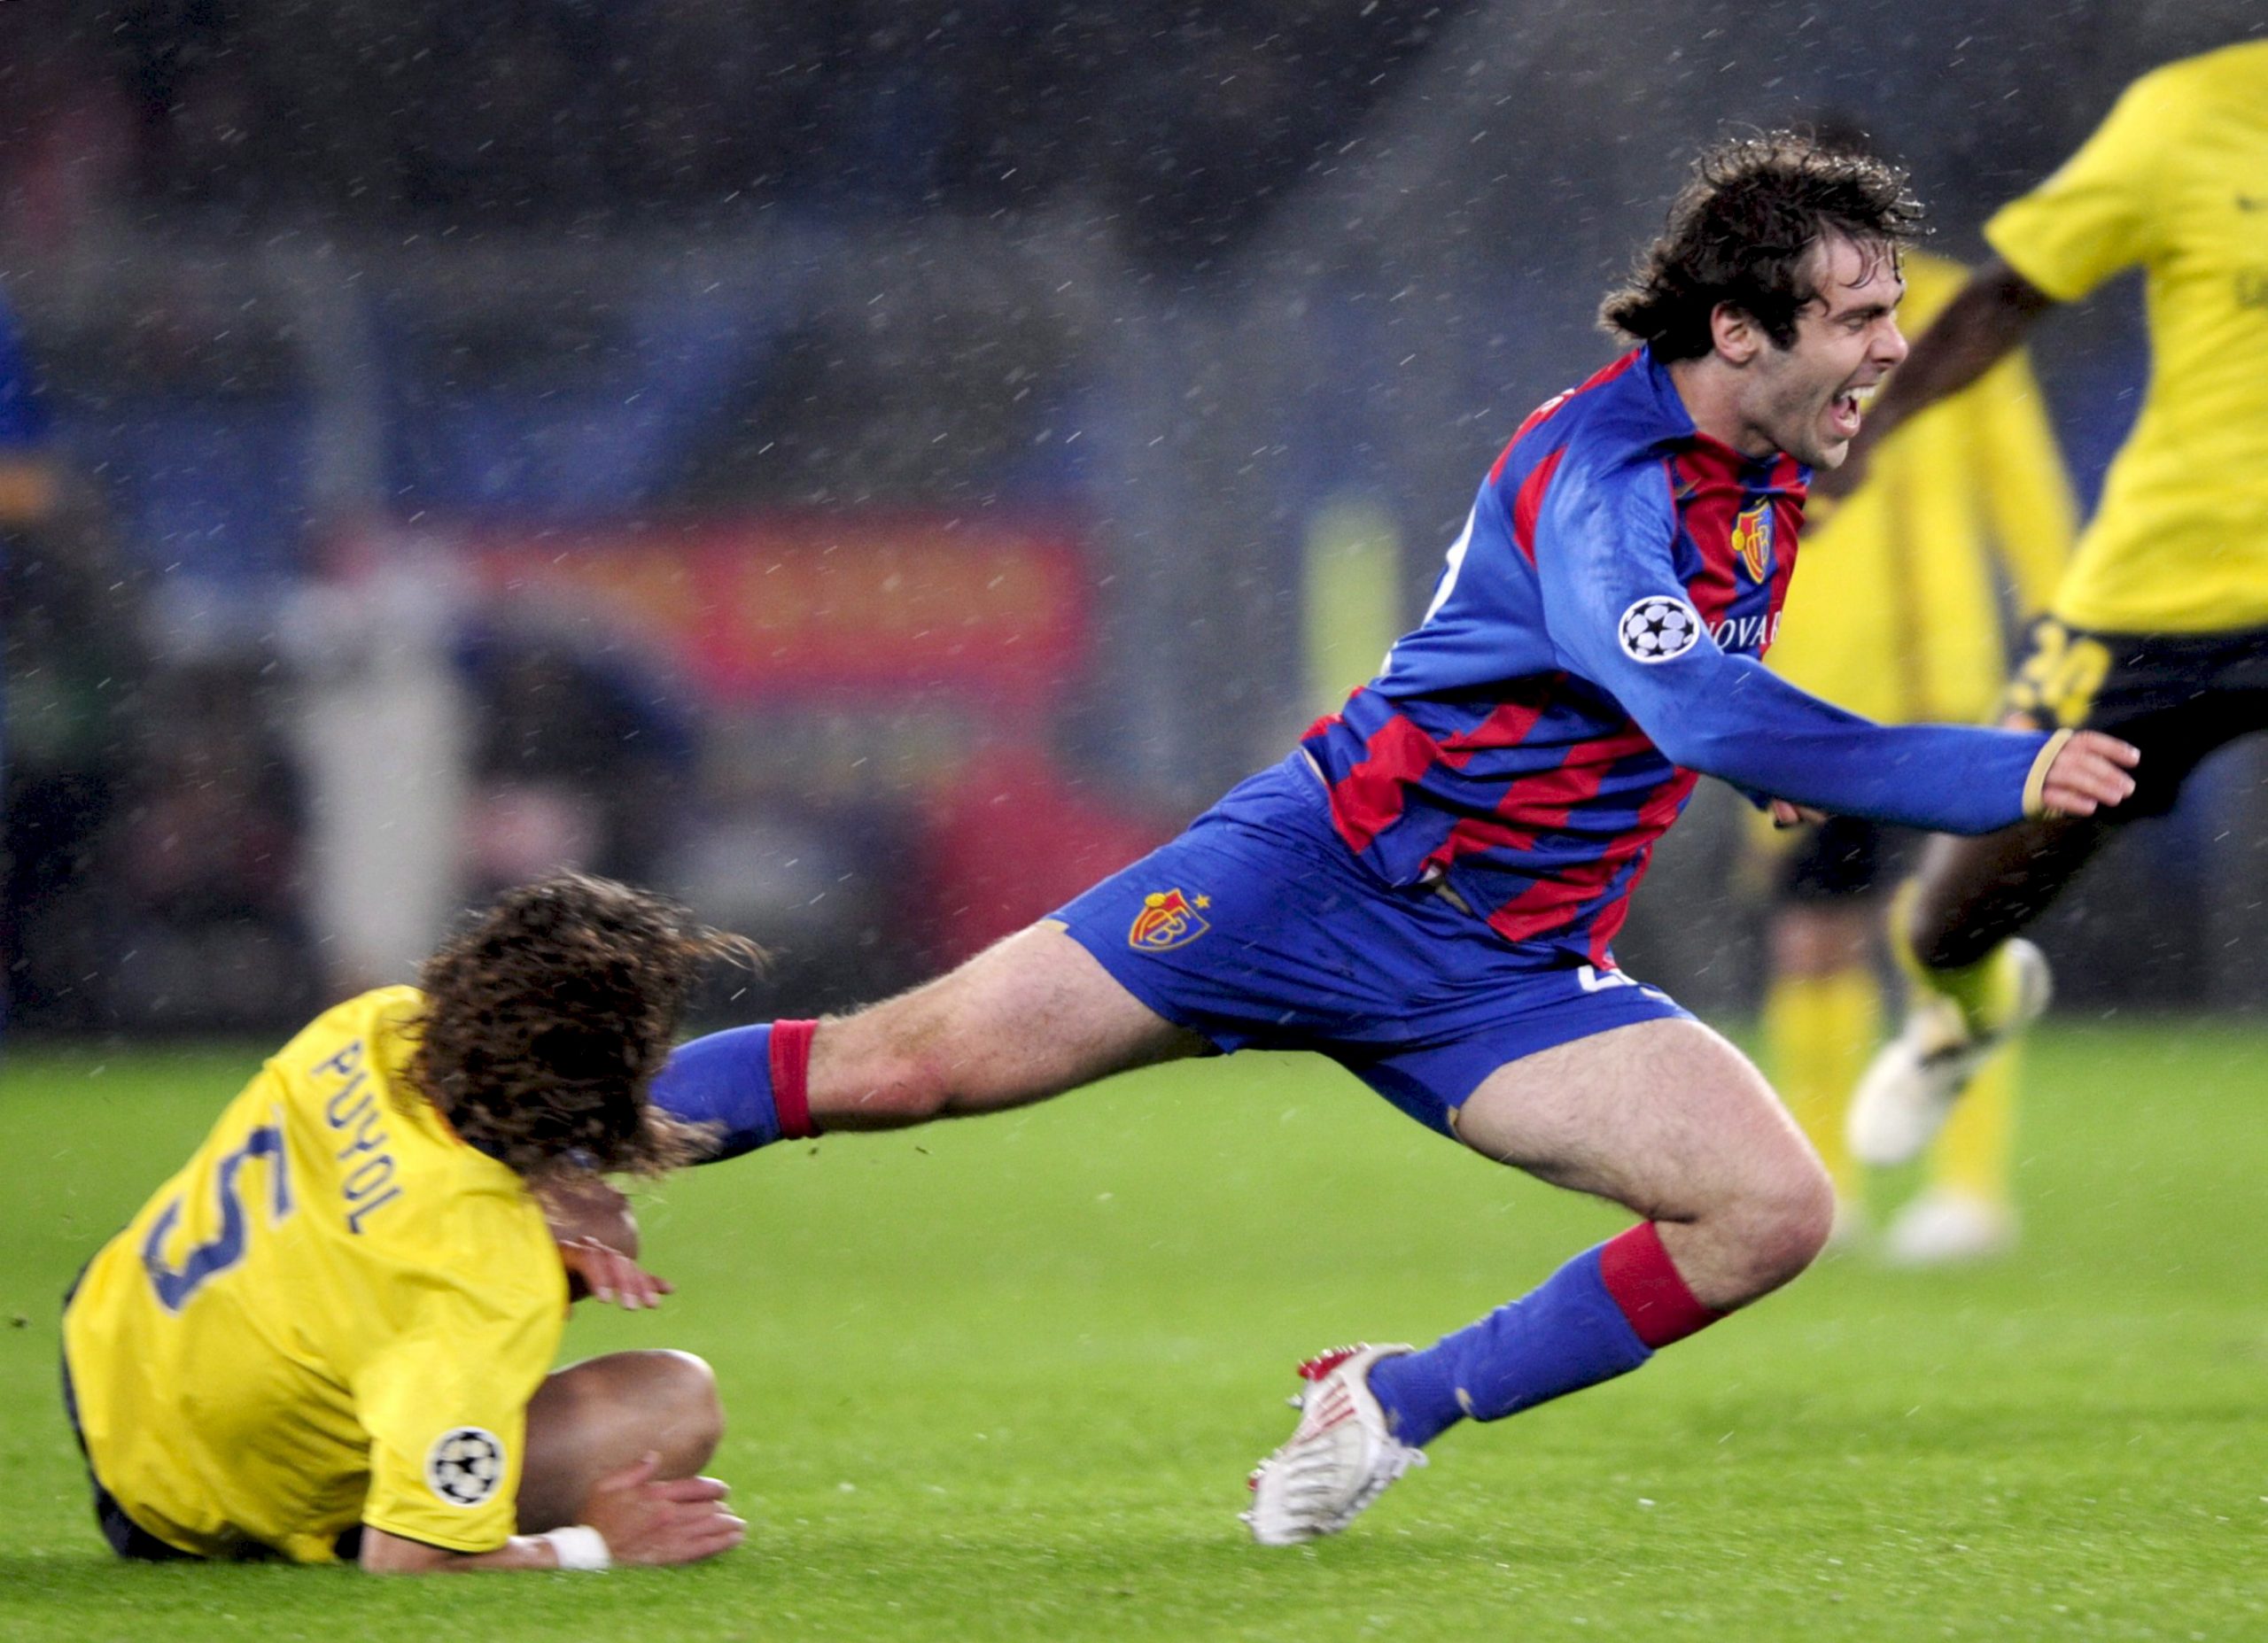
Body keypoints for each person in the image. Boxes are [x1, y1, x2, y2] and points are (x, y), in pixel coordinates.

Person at [651, 134, 2139, 1546]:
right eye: (1859, 315)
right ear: (1740, 331)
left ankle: (1387, 1404)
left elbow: (1661, 685)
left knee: (1767, 1212)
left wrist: (1741, 755)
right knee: (903, 1069)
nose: (1894, 343)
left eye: (1892, 309)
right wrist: (2004, 770)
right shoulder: (1611, 479)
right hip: (1314, 878)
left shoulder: (1765, 461)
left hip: (1504, 968)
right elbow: (1697, 703)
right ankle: (507, 1132)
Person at [1837, 38, 2268, 1173]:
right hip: (2164, 597)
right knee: (1946, 922)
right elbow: (2007, 294)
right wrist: (1869, 428)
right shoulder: (2188, 117)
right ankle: (1966, 1010)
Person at [59, 872, 750, 1572]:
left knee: (596, 1220)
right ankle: (353, 1505)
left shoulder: (371, 1024)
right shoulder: (478, 1281)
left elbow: (382, 1223)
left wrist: (538, 1258)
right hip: (183, 1503)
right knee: (675, 1402)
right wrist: (593, 1544)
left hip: (109, 1345)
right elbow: (410, 1560)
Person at [1756, 230, 2075, 1264]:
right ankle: (1821, 1187)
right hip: (1805, 684)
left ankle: (1969, 1192)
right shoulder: (1758, 331)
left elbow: (2022, 489)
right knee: (1813, 938)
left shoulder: (1949, 317)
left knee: (1948, 928)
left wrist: (2068, 629)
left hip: (1943, 681)